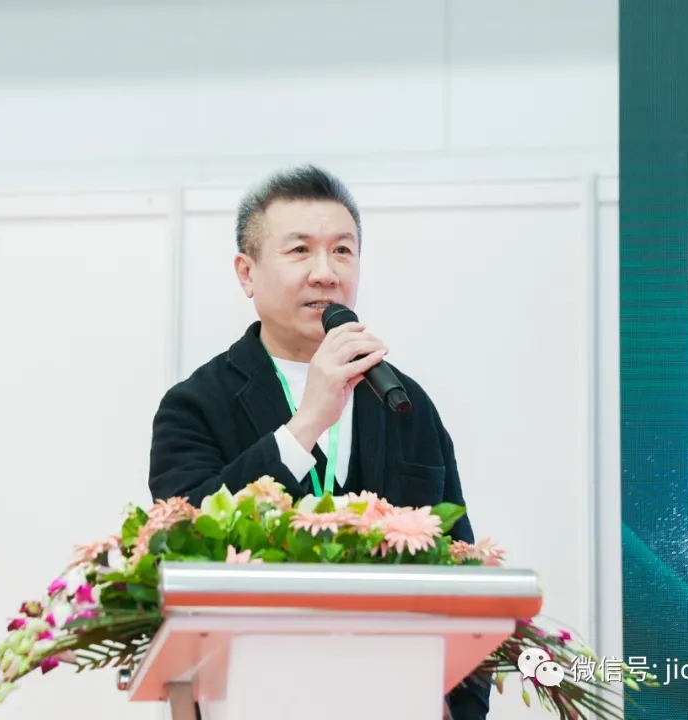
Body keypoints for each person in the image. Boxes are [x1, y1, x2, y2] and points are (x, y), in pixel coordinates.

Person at [148, 164, 489, 720]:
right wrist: (306, 422)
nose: (326, 273)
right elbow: (183, 541)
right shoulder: (195, 405)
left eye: (343, 251)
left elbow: (463, 569)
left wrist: (457, 710)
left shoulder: (405, 402)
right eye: (300, 250)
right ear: (246, 273)